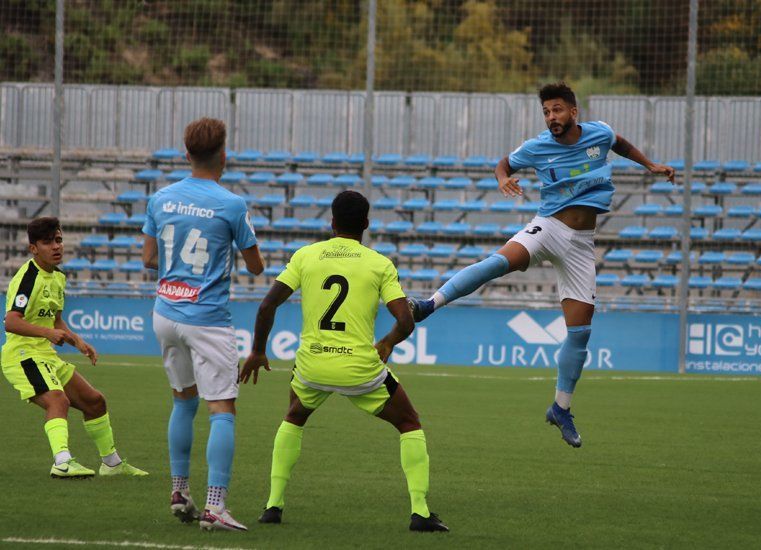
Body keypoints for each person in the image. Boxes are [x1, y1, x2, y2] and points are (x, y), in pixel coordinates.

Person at [408, 82, 675, 448]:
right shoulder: (536, 147)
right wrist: (504, 179)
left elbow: (619, 143)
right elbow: (503, 163)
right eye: (547, 112)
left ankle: (561, 409)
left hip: (581, 245)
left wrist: (651, 165)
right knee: (498, 263)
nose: (552, 117)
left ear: (573, 112)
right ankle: (428, 305)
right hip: (547, 226)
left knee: (580, 333)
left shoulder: (599, 133)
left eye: (558, 110)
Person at [240, 190, 448, 533]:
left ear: (332, 222)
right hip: (359, 369)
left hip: (312, 367)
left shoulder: (306, 256)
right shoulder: (379, 263)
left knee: (294, 417)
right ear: (366, 224)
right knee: (409, 423)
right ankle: (420, 512)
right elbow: (406, 321)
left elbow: (266, 307)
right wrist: (387, 343)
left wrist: (258, 350)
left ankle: (273, 506)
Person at [142, 117, 265, 531]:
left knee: (183, 400)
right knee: (222, 409)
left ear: (186, 154)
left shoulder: (160, 198)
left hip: (165, 312)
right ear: (224, 155)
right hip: (207, 318)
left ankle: (179, 491)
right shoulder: (231, 204)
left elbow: (148, 259)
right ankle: (215, 506)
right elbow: (255, 267)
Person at [1, 217, 148, 479]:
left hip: (45, 354)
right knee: (58, 400)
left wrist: (78, 341)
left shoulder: (58, 277)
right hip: (22, 355)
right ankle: (62, 462)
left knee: (95, 401)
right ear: (33, 248)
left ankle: (112, 464)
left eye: (58, 240)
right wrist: (48, 333)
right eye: (47, 242)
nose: (56, 246)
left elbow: (56, 320)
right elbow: (11, 323)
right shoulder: (28, 278)